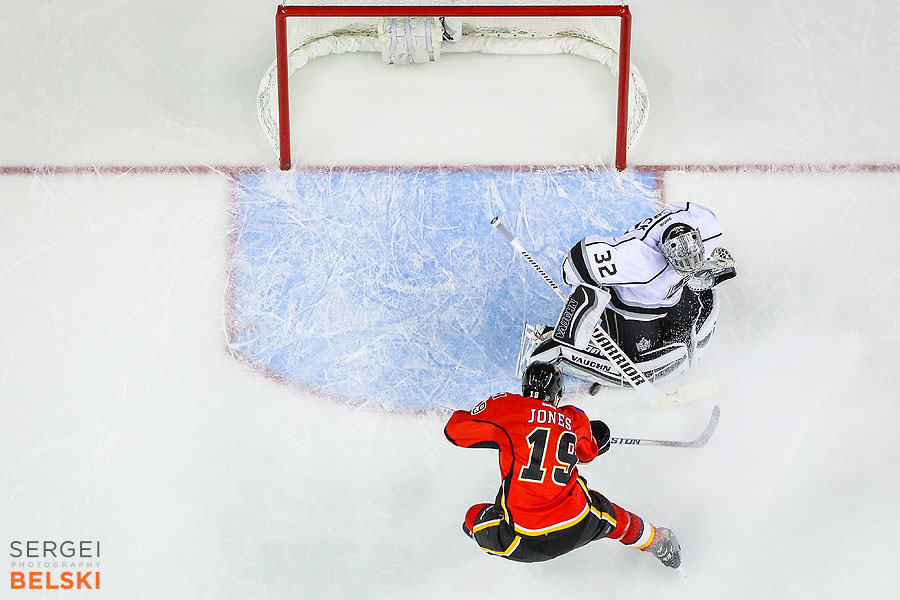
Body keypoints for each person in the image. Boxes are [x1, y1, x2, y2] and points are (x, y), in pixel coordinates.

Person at [444, 361, 682, 567]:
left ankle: (479, 535)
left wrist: (498, 431)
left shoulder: (508, 408)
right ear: (557, 395)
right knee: (618, 521)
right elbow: (588, 452)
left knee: (472, 517)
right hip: (577, 522)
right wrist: (598, 436)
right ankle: (661, 545)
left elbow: (454, 431)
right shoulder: (574, 419)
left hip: (522, 540)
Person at [526, 201, 737, 389]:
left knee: (685, 333)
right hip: (635, 311)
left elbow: (678, 208)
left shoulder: (708, 225)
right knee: (640, 365)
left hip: (675, 293)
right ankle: (551, 346)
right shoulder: (636, 258)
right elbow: (573, 264)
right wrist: (591, 297)